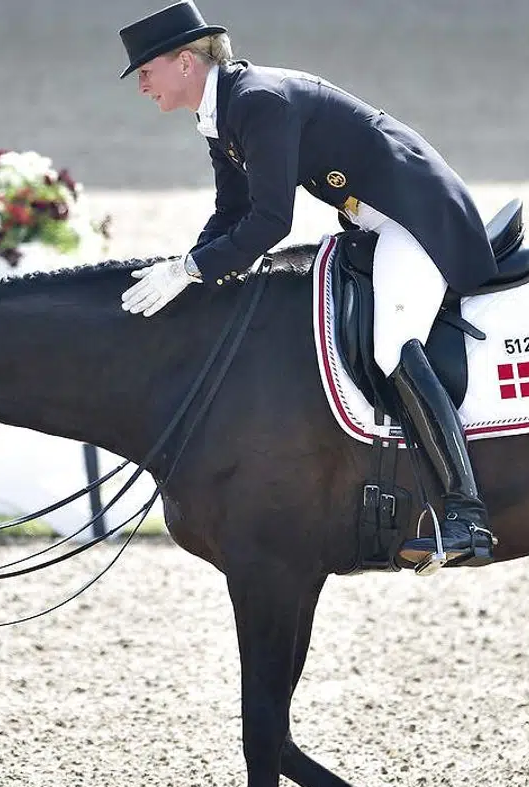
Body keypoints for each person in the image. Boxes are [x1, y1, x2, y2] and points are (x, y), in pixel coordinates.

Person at [117, 1, 498, 568]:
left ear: (186, 62)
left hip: (413, 218)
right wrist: (189, 267)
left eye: (146, 71)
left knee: (392, 345)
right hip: (370, 221)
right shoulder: (220, 114)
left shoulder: (257, 101)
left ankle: (467, 517)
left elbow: (272, 221)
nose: (142, 85)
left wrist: (192, 270)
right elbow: (233, 210)